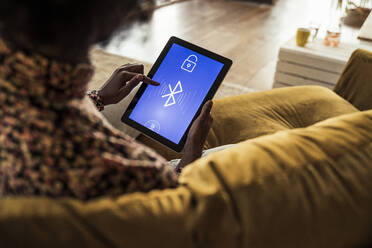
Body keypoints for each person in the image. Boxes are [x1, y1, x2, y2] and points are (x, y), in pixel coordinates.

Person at [0, 0, 213, 200]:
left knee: (137, 93)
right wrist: (191, 153)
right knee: (238, 159)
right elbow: (169, 201)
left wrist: (97, 98)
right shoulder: (99, 160)